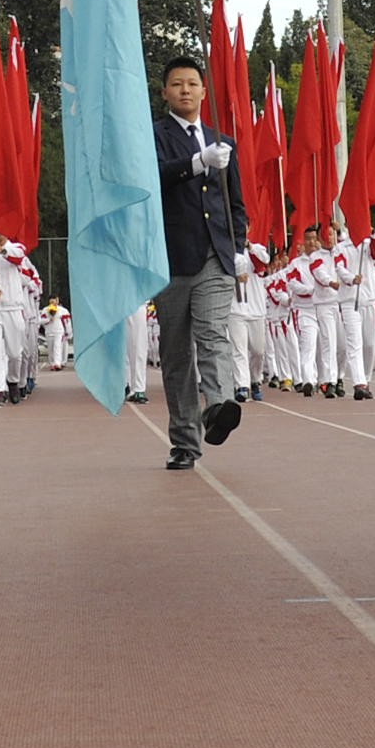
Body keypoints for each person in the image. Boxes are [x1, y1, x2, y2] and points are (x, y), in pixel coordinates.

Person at [148, 53, 249, 469]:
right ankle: (185, 443)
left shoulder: (223, 141)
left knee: (213, 335)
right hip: (171, 258)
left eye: (192, 84)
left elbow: (235, 202)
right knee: (176, 356)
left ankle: (219, 406)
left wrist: (240, 247)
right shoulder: (154, 135)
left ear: (204, 91)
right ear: (165, 92)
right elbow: (153, 177)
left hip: (214, 256)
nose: (185, 90)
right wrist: (197, 162)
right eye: (177, 84)